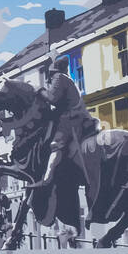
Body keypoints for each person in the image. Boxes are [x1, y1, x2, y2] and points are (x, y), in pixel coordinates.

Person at [30, 56, 100, 192]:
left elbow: (52, 98)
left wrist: (39, 89)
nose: (48, 78)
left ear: (53, 71)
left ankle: (46, 179)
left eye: (49, 74)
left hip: (71, 118)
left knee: (56, 144)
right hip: (75, 116)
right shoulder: (66, 79)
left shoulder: (59, 78)